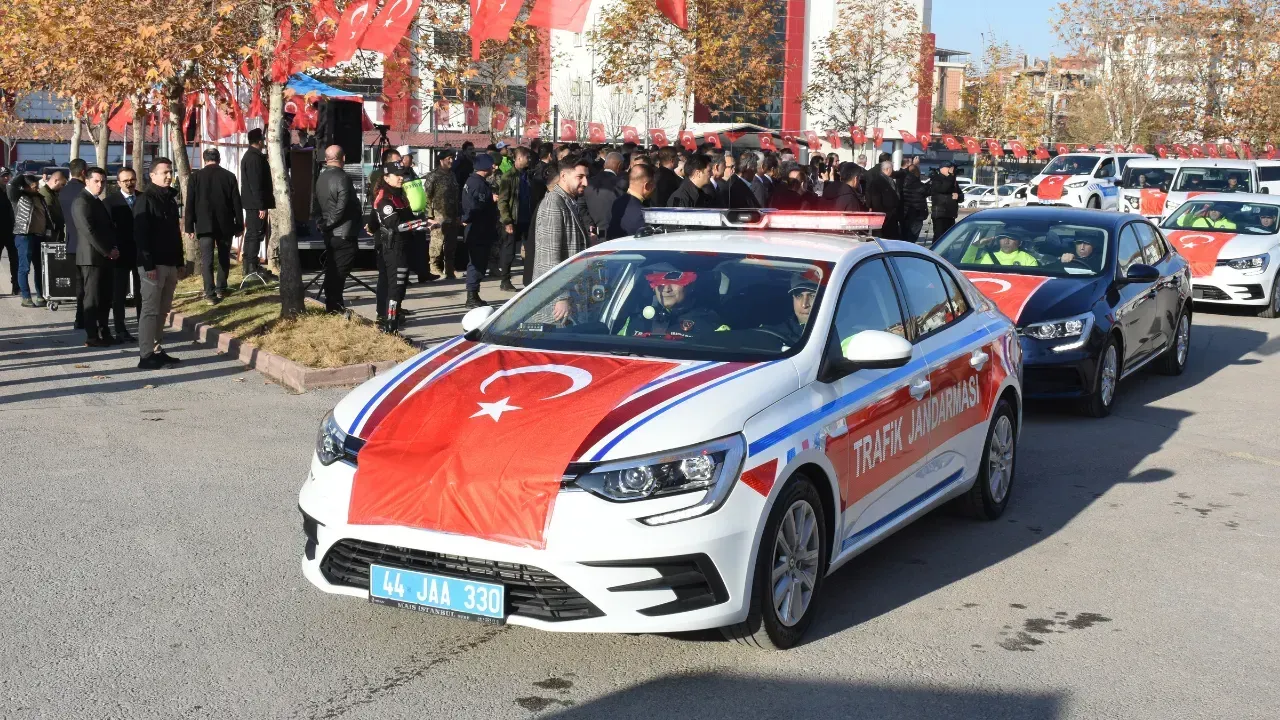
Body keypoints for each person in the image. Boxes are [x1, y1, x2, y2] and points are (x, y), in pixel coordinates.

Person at [133, 158, 186, 369]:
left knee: (163, 310)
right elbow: (140, 235)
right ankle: (145, 355)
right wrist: (148, 265)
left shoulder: (169, 199)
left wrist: (180, 261)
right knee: (150, 310)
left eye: (170, 171)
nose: (169, 176)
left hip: (170, 262)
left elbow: (174, 233)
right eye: (164, 172)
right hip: (153, 266)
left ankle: (156, 349)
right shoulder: (145, 199)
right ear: (152, 175)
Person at [533, 156, 591, 321]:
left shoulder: (568, 201)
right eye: (580, 177)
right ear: (564, 176)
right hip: (558, 306)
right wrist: (561, 297)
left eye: (586, 177)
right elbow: (548, 258)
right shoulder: (554, 203)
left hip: (573, 297)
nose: (585, 182)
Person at [184, 148, 244, 304]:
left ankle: (209, 293)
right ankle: (221, 288)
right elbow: (236, 203)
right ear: (219, 159)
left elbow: (190, 203)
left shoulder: (195, 177)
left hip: (204, 224)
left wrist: (189, 226)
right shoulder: (229, 176)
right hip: (225, 224)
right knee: (224, 257)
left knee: (207, 259)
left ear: (204, 160)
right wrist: (239, 225)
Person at [72, 167, 120, 347]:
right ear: (87, 181)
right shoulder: (81, 201)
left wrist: (113, 248)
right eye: (96, 181)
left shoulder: (96, 200)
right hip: (91, 258)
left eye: (103, 181)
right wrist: (107, 251)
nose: (100, 185)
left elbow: (107, 228)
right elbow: (89, 231)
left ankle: (104, 331)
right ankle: (92, 335)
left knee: (105, 297)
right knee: (92, 298)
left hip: (105, 257)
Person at [371, 163, 420, 332]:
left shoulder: (400, 195)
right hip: (394, 248)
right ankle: (390, 328)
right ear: (386, 178)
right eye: (397, 175)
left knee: (400, 289)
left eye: (402, 174)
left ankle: (393, 324)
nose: (401, 178)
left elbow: (409, 218)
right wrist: (422, 223)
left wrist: (425, 222)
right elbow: (397, 225)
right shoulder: (385, 198)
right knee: (395, 290)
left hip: (404, 246)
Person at [617, 264, 725, 337]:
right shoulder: (636, 320)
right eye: (657, 279)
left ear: (691, 285)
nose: (666, 289)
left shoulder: (712, 326)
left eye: (675, 280)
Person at [314, 145, 362, 313]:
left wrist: (322, 223)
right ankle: (334, 306)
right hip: (343, 232)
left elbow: (317, 204)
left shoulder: (321, 177)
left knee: (333, 269)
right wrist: (328, 224)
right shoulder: (343, 177)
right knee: (339, 271)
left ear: (326, 159)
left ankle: (334, 304)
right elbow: (341, 207)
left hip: (331, 232)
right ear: (344, 158)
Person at [103, 168, 140, 341]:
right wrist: (111, 249)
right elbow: (107, 229)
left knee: (142, 292)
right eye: (125, 181)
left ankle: (144, 326)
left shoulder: (143, 198)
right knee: (119, 293)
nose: (129, 183)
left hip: (140, 252)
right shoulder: (110, 202)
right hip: (120, 253)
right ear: (118, 183)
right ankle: (120, 329)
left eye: (132, 180)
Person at [460, 152, 500, 308]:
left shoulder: (474, 181)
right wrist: (491, 200)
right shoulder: (478, 184)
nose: (494, 167)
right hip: (479, 230)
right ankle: (471, 296)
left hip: (479, 229)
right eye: (491, 165)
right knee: (477, 263)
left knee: (478, 262)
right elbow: (475, 208)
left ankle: (474, 294)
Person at [8, 173, 51, 307]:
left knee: (40, 268)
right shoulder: (18, 197)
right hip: (24, 236)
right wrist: (24, 176)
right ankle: (26, 297)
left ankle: (40, 296)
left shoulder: (40, 198)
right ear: (26, 187)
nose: (37, 188)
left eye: (38, 186)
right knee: (24, 267)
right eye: (34, 186)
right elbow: (11, 184)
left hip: (39, 236)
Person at [496, 146, 534, 291]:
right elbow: (502, 201)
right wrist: (507, 221)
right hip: (513, 220)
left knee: (530, 250)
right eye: (526, 157)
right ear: (518, 158)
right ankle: (505, 281)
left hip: (527, 220)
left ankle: (530, 280)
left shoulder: (528, 175)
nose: (529, 159)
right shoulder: (508, 177)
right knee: (509, 252)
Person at [239, 128, 274, 278]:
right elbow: (256, 183)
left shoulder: (252, 156)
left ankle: (249, 265)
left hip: (252, 203)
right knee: (255, 234)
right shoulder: (254, 158)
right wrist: (261, 206)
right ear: (259, 141)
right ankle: (251, 267)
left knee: (253, 233)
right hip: (255, 204)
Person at [423, 150, 460, 281]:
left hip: (452, 215)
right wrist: (429, 216)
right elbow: (427, 197)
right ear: (441, 160)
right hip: (438, 215)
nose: (451, 161)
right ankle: (434, 268)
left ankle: (449, 269)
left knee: (451, 244)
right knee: (437, 243)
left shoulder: (452, 175)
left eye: (452, 158)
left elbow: (456, 196)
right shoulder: (433, 176)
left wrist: (457, 214)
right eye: (449, 158)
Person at [760, 269, 820, 345]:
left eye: (812, 296)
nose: (804, 305)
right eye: (799, 296)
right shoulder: (771, 334)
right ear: (793, 298)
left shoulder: (833, 335)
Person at [58, 162, 84, 326]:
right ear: (83, 172)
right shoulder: (84, 191)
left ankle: (79, 318)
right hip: (86, 243)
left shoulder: (63, 191)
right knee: (89, 284)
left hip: (71, 242)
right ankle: (85, 316)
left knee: (79, 282)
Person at [607, 163, 655, 240]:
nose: (654, 188)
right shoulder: (642, 215)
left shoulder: (617, 202)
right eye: (653, 184)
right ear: (647, 186)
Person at [585, 151, 624, 238]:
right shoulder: (622, 184)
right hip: (615, 234)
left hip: (594, 234)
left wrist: (591, 227)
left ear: (604, 165)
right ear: (619, 166)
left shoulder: (588, 183)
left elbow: (581, 206)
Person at [864, 159, 901, 239]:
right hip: (884, 216)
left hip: (891, 215)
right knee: (884, 237)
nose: (893, 171)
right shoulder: (877, 181)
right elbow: (876, 200)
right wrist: (882, 214)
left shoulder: (888, 180)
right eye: (892, 169)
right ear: (887, 169)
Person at [962, 231, 1040, 266]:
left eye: (1011, 238)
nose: (1006, 242)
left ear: (1019, 243)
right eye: (1002, 238)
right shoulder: (986, 256)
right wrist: (975, 245)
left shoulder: (1028, 260)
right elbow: (965, 265)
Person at [929, 161, 962, 238]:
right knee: (939, 237)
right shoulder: (936, 178)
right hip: (940, 214)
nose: (951, 170)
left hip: (951, 214)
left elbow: (961, 195)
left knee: (949, 237)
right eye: (949, 168)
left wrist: (958, 196)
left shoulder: (952, 180)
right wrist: (950, 176)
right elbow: (943, 189)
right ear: (942, 169)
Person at [898, 162, 930, 244]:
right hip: (916, 214)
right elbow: (927, 190)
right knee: (912, 237)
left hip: (905, 213)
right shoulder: (917, 184)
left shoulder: (902, 182)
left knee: (903, 236)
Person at [0, 167, 14, 295]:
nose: (5, 178)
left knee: (15, 260)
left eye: (7, 175)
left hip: (12, 231)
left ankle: (16, 286)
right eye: (3, 176)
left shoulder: (12, 191)